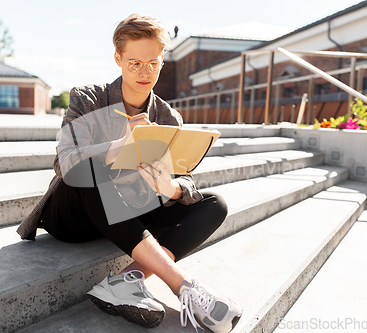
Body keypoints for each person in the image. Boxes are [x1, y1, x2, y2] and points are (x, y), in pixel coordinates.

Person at [16, 13, 242, 333]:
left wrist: (171, 188)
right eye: (135, 63)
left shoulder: (167, 115)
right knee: (91, 168)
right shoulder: (88, 97)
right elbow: (63, 162)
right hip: (73, 215)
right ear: (118, 59)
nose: (144, 72)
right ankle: (185, 286)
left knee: (213, 203)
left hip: (127, 213)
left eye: (153, 63)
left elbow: (184, 177)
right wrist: (119, 145)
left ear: (162, 61)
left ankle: (126, 280)